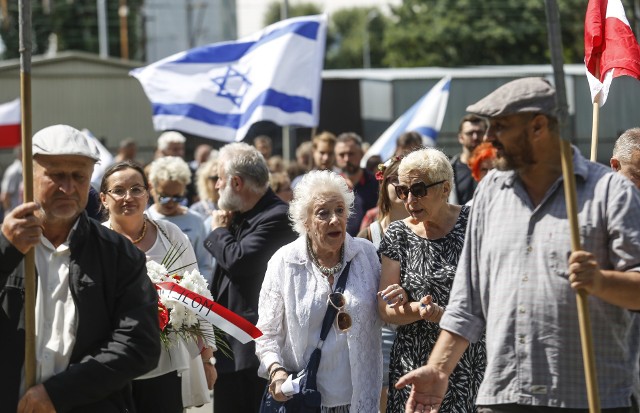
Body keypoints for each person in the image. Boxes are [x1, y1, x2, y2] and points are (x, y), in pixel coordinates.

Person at [397, 77, 640, 413]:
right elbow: (467, 300)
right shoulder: (490, 193)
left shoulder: (611, 193)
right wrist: (438, 369)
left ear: (538, 126)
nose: (487, 138)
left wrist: (600, 282)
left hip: (589, 398)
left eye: (500, 126)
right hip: (504, 395)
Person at [0, 124, 160, 412]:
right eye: (56, 175)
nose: (68, 187)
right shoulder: (6, 246)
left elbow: (139, 345)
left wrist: (58, 394)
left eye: (79, 176)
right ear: (28, 176)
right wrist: (6, 250)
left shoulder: (118, 255)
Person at [256, 170, 383, 412]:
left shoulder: (365, 255)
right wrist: (276, 369)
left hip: (358, 399)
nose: (334, 219)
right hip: (305, 399)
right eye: (323, 213)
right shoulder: (285, 262)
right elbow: (266, 333)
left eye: (340, 210)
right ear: (305, 221)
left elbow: (386, 315)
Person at [100, 160, 217, 412]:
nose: (128, 197)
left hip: (165, 364)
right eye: (118, 190)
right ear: (103, 199)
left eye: (136, 189)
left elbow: (196, 293)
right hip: (113, 366)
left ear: (147, 192)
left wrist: (207, 358)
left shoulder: (170, 234)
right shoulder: (96, 242)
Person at [377, 148, 486, 413]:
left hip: (467, 361)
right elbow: (385, 309)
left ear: (445, 188)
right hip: (412, 362)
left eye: (419, 189)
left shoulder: (475, 224)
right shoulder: (398, 234)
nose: (409, 200)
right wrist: (418, 310)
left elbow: (489, 300)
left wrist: (443, 316)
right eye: (403, 191)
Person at [204, 142, 297, 412]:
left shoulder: (276, 216)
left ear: (235, 182)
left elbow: (239, 260)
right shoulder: (241, 215)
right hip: (231, 348)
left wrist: (219, 231)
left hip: (253, 350)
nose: (216, 185)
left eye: (219, 179)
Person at [356, 154, 409, 413]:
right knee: (383, 401)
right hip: (380, 333)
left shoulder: (428, 231)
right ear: (383, 184)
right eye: (396, 181)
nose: (403, 188)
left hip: (418, 330)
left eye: (410, 182)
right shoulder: (369, 234)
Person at [146, 156, 213, 283]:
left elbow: (205, 265)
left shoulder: (196, 221)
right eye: (164, 197)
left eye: (177, 197)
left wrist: (195, 293)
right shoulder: (144, 219)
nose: (171, 203)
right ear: (151, 188)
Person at [334, 132, 379, 236]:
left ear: (361, 154)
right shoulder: (330, 186)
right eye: (341, 155)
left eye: (351, 154)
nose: (347, 159)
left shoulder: (376, 184)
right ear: (336, 157)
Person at [448, 115, 487, 205]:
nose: (475, 137)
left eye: (480, 132)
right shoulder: (449, 170)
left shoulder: (495, 168)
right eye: (470, 133)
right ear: (461, 138)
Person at [1, 146, 23, 214]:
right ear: (20, 155)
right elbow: (5, 196)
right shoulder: (13, 171)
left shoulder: (22, 169)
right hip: (15, 213)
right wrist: (9, 213)